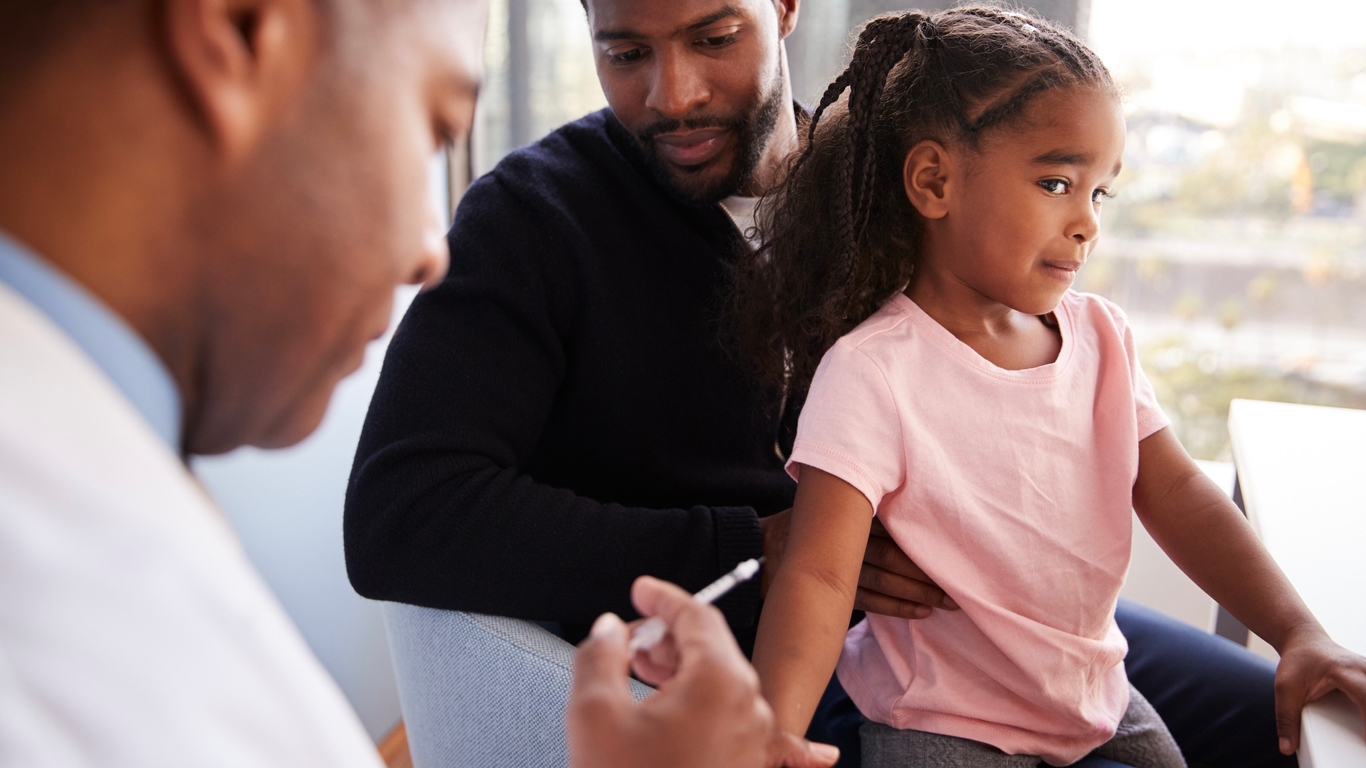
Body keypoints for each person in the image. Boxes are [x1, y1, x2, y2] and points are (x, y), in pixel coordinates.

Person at [344, 0, 1317, 764]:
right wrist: (761, 543)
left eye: (713, 35)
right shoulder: (533, 222)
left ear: (783, 6)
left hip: (1000, 630)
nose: (672, 91)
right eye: (625, 52)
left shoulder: (888, 189)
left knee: (1298, 735)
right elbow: (401, 517)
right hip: (798, 667)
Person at [0, 0, 776, 765]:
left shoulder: (100, 501)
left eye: (715, 38)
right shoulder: (58, 627)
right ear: (238, 34)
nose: (427, 254)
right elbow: (403, 510)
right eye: (436, 127)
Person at [736, 7, 1366, 768]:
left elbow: (1182, 496)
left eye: (1100, 193)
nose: (1087, 223)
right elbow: (819, 573)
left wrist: (1297, 629)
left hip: (1092, 698)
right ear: (934, 180)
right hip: (940, 720)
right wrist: (769, 738)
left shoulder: (1102, 338)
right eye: (1057, 182)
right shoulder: (873, 374)